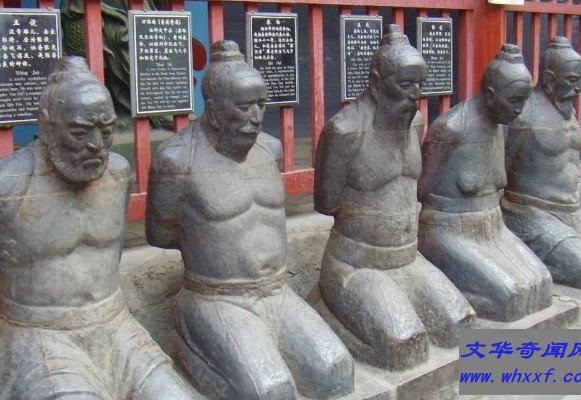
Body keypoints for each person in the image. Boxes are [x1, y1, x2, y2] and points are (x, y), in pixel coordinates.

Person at [146, 40, 354, 400]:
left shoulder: (269, 149)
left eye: (260, 104)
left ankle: (479, 381)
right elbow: (160, 234)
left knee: (336, 372)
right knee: (271, 391)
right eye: (244, 107)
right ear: (214, 112)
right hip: (217, 297)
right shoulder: (177, 161)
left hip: (277, 290)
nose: (256, 116)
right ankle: (187, 347)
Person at [0, 56, 198, 400]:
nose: (96, 144)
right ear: (47, 124)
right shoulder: (10, 184)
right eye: (79, 131)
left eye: (106, 130)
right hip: (40, 333)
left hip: (115, 324)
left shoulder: (116, 174)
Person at [313, 24, 475, 371]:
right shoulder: (345, 131)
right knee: (405, 345)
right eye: (405, 84)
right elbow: (327, 203)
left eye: (420, 84)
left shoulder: (414, 123)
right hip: (358, 264)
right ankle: (328, 309)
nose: (416, 94)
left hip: (408, 258)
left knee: (462, 328)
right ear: (376, 83)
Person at [418, 44, 552, 321]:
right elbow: (422, 189)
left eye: (524, 101)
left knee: (541, 285)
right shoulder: (451, 129)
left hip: (493, 227)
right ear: (491, 95)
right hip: (450, 230)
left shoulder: (501, 127)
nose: (519, 109)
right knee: (509, 296)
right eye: (514, 100)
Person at [502, 36, 581, 289]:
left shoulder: (568, 109)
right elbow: (499, 168)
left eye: (580, 80)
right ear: (548, 79)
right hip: (533, 213)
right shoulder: (523, 114)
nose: (578, 88)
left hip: (572, 211)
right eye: (571, 80)